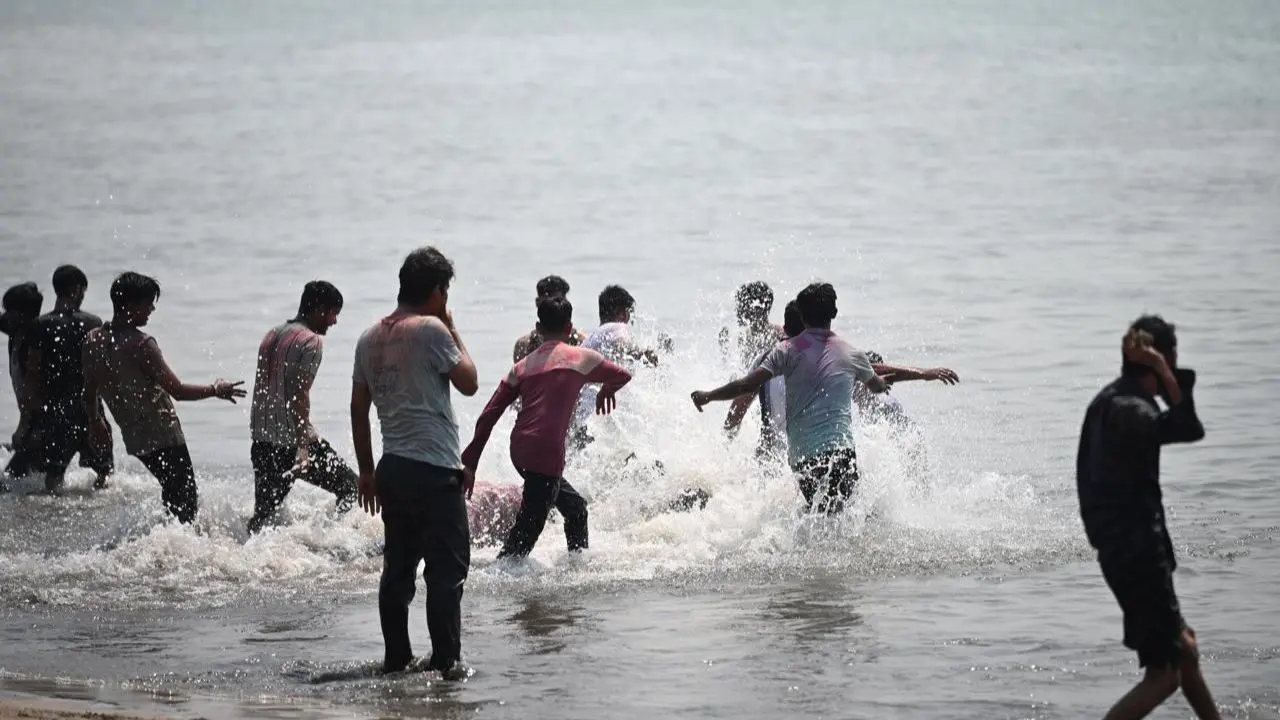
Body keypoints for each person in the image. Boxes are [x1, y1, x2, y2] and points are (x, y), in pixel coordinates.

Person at [1076, 317, 1220, 720]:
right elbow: (1187, 427)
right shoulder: (1130, 410)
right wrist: (1161, 369)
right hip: (1137, 554)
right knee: (1164, 675)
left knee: (1184, 649)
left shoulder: (1111, 400)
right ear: (1165, 357)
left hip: (1127, 549)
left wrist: (1159, 371)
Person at [350, 246, 478, 679]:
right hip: (435, 470)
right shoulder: (431, 331)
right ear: (439, 291)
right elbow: (470, 383)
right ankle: (446, 663)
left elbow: (357, 408)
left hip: (393, 467)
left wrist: (366, 471)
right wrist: (453, 325)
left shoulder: (369, 337)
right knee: (446, 572)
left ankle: (397, 659)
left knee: (398, 569)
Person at [692, 282, 888, 515]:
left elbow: (746, 385)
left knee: (819, 516)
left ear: (801, 316)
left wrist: (709, 396)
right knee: (843, 515)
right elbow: (875, 385)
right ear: (834, 313)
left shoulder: (785, 349)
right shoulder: (850, 351)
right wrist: (886, 382)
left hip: (802, 457)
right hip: (841, 451)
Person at [462, 296, 632, 559]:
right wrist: (606, 390)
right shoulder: (583, 359)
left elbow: (488, 415)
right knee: (523, 542)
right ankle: (502, 578)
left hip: (520, 452)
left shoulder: (520, 368)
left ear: (538, 328)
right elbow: (623, 374)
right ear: (570, 328)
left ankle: (577, 568)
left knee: (576, 509)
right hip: (546, 453)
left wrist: (470, 463)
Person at [82, 272, 246, 524]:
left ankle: (166, 544)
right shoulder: (141, 344)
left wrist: (95, 421)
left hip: (134, 438)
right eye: (148, 303)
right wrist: (216, 389)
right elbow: (178, 391)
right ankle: (174, 551)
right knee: (186, 499)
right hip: (162, 435)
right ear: (131, 305)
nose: (152, 309)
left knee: (173, 493)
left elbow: (89, 389)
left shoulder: (93, 340)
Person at [247, 281, 357, 534]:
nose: (334, 321)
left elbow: (266, 390)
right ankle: (331, 540)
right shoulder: (311, 341)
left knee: (262, 520)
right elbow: (298, 395)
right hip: (292, 442)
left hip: (263, 441)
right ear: (319, 309)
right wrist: (303, 447)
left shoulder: (271, 334)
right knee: (350, 486)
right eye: (333, 313)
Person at [24, 266, 115, 492]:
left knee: (54, 476)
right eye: (83, 291)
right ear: (76, 289)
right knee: (105, 474)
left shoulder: (40, 325)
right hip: (91, 408)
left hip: (56, 410)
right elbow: (102, 369)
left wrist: (28, 419)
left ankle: (51, 517)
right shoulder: (93, 322)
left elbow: (32, 375)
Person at [570, 285, 660, 450]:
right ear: (622, 314)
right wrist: (642, 353)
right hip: (593, 421)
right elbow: (622, 342)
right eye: (629, 315)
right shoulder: (616, 327)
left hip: (581, 421)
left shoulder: (594, 336)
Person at [1, 282, 44, 489]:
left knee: (7, 485)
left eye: (8, 310)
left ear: (22, 314)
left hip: (39, 425)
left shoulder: (33, 340)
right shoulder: (17, 332)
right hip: (32, 423)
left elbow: (32, 388)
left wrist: (23, 427)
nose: (4, 315)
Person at [511, 275, 588, 363]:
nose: (554, 306)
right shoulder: (525, 345)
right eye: (549, 302)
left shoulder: (580, 341)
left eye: (559, 301)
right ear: (537, 302)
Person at [718, 281, 786, 371]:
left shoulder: (778, 334)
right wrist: (724, 351)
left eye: (742, 305)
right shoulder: (744, 337)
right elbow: (743, 371)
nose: (738, 310)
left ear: (757, 309)